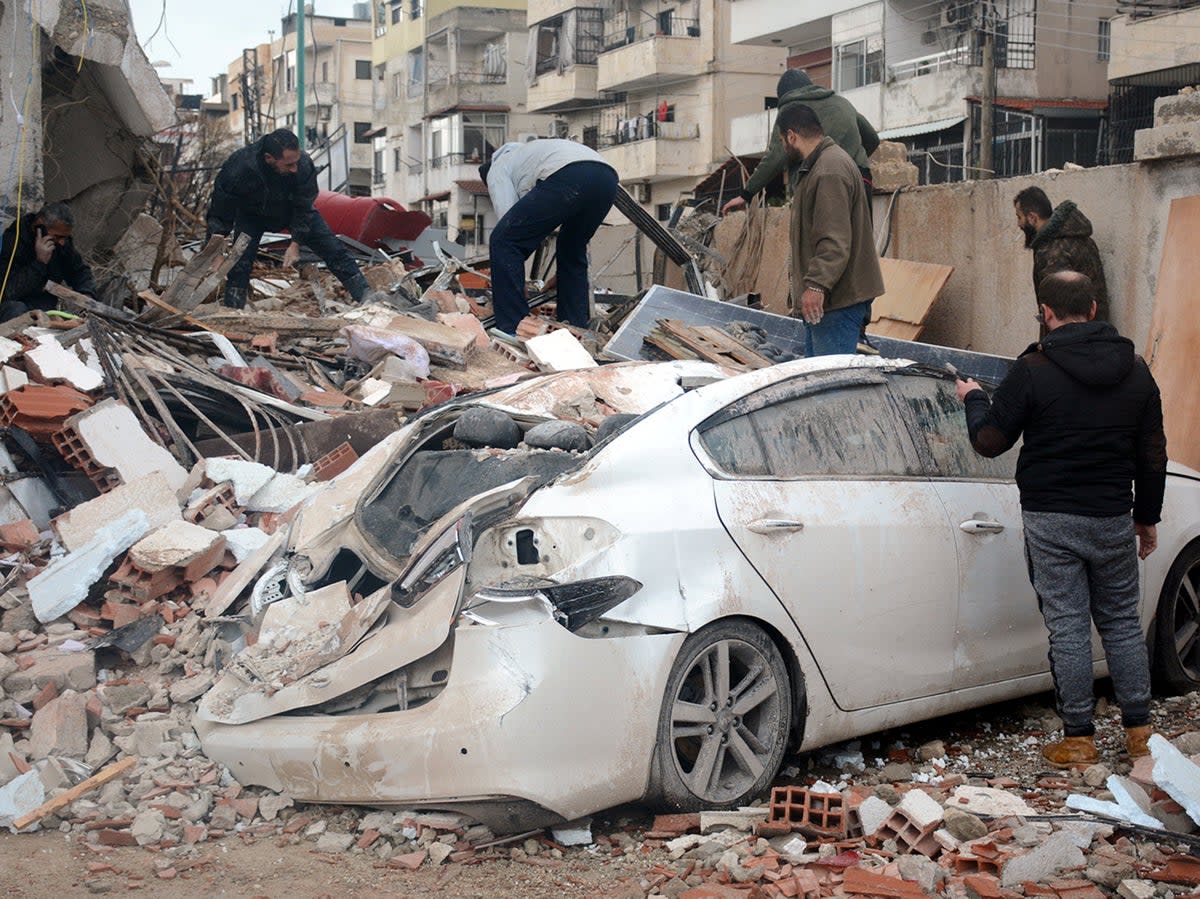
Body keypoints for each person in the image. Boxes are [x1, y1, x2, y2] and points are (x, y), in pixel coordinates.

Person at [955, 271, 1166, 768]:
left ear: (1046, 313)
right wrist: (1146, 518)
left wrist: (975, 399)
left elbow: (989, 442)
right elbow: (1152, 454)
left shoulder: (1033, 369)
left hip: (1052, 521)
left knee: (1069, 626)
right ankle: (1140, 732)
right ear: (1094, 309)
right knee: (1120, 623)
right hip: (1113, 516)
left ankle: (1079, 738)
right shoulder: (1137, 370)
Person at [207, 128, 373, 309]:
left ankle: (367, 299)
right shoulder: (239, 166)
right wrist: (215, 252)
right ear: (269, 158)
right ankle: (233, 312)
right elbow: (220, 211)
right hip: (252, 215)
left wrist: (295, 243)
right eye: (288, 165)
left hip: (293, 211)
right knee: (240, 263)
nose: (294, 168)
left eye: (296, 162)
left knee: (334, 250)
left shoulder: (303, 165)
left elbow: (305, 205)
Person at [480, 138, 618, 336]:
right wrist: (564, 275)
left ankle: (513, 328)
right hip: (607, 178)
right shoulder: (532, 154)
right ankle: (575, 328)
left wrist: (515, 283)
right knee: (572, 248)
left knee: (502, 241)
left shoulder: (497, 168)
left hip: (569, 174)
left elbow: (509, 230)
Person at [777, 103, 883, 357]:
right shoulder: (822, 165)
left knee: (830, 387)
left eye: (782, 140)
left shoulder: (828, 171)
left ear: (792, 136)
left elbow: (834, 241)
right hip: (833, 301)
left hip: (837, 301)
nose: (783, 147)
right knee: (818, 378)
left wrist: (816, 287)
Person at [721, 69, 879, 215]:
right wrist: (852, 159)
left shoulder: (790, 111)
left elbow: (775, 156)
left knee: (824, 238)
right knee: (862, 239)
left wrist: (746, 194)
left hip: (819, 183)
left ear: (784, 96)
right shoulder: (842, 102)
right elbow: (872, 138)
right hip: (860, 179)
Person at [1014, 186, 1110, 329]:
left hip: (1073, 341)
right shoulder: (1080, 238)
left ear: (1032, 218)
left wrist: (1049, 345)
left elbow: (1060, 313)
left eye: (1019, 217)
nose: (1018, 224)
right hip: (1096, 332)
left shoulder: (1051, 250)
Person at [0, 202, 96, 322]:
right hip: (13, 309)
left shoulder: (61, 244)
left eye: (64, 237)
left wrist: (86, 294)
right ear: (40, 227)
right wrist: (40, 263)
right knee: (16, 309)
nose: (61, 242)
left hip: (45, 308)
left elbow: (79, 271)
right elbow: (8, 292)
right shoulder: (13, 242)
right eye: (58, 237)